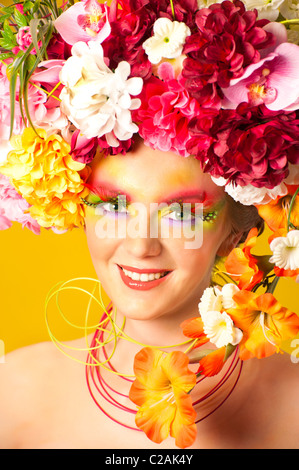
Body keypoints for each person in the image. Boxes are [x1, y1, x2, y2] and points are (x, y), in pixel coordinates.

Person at [0, 0, 299, 450]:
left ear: (237, 230)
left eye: (181, 212)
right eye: (114, 204)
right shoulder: (12, 395)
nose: (140, 245)